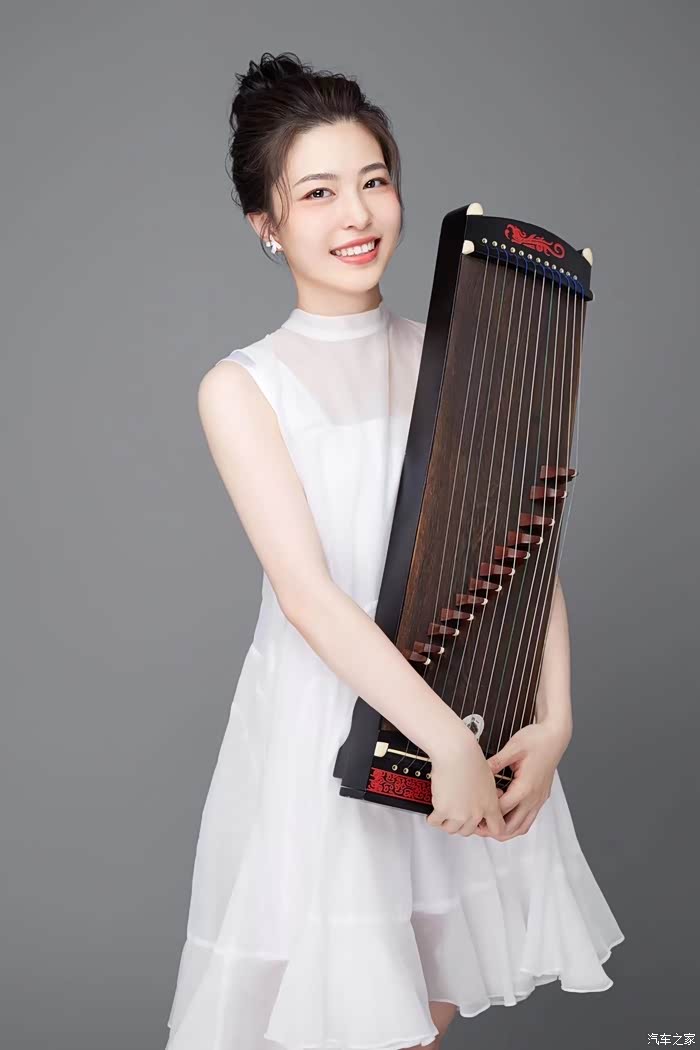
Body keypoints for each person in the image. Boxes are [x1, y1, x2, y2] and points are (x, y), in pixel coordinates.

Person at [164, 51, 624, 1050]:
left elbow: (526, 541)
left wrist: (554, 719)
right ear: (266, 223)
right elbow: (309, 597)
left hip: (467, 705)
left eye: (373, 181)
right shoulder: (244, 387)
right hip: (328, 731)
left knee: (422, 1018)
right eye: (318, 193)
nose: (357, 214)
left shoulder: (459, 358)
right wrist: (445, 743)